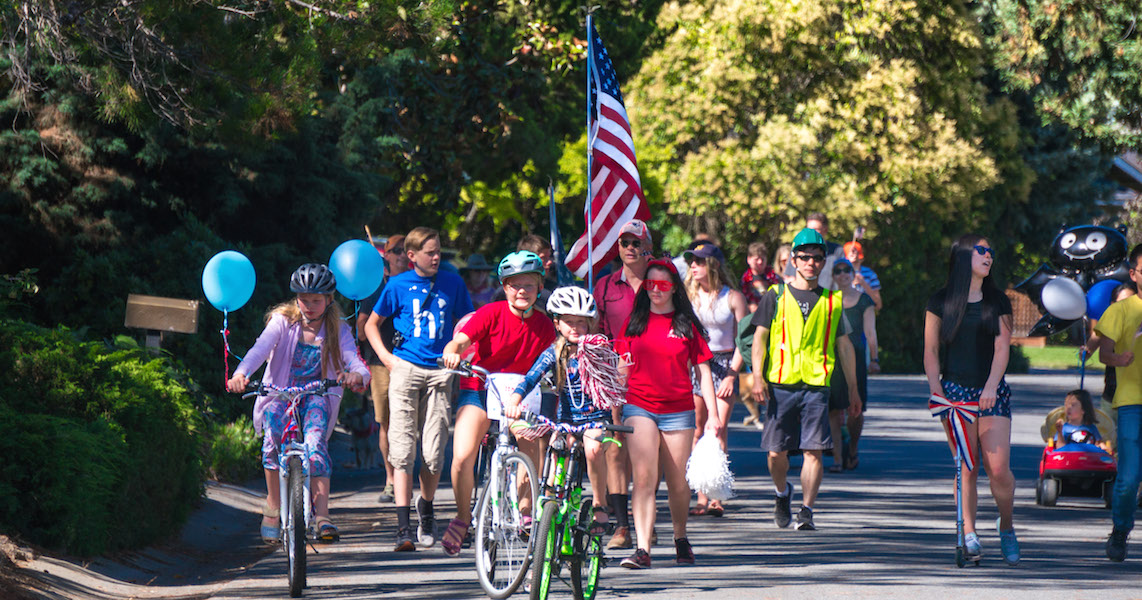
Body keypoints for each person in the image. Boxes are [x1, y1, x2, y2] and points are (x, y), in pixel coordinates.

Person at [226, 264, 369, 545]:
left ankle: (323, 516)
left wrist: (357, 375)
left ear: (329, 300)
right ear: (296, 299)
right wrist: (241, 374)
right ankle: (273, 504)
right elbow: (260, 350)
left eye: (316, 300)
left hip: (316, 395)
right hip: (279, 394)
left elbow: (353, 359)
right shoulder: (282, 321)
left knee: (316, 446)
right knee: (271, 439)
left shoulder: (337, 329)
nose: (310, 305)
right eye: (304, 299)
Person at [439, 251, 558, 556]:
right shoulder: (490, 313)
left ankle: (526, 512)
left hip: (520, 395)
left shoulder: (545, 326)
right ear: (504, 287)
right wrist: (453, 350)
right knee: (463, 456)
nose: (522, 291)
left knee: (530, 445)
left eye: (529, 286)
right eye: (514, 285)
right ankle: (463, 517)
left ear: (539, 287)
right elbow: (461, 340)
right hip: (481, 387)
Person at [364, 227, 475, 552]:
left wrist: (460, 351)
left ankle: (425, 508)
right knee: (401, 450)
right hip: (405, 369)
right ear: (411, 256)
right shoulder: (397, 286)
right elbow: (372, 324)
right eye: (430, 252)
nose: (436, 257)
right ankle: (403, 528)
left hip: (441, 372)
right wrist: (386, 358)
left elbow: (468, 320)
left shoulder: (452, 283)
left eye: (438, 250)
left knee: (433, 452)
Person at [750, 228, 861, 532]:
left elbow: (845, 346)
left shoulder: (832, 301)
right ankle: (782, 493)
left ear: (824, 262)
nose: (811, 262)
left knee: (814, 450)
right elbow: (759, 338)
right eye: (804, 257)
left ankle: (807, 510)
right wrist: (757, 377)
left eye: (817, 258)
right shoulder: (775, 295)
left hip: (816, 384)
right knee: (776, 453)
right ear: (793, 261)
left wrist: (853, 389)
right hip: (781, 383)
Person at [616, 258, 720, 568]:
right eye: (650, 285)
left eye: (662, 285)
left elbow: (703, 372)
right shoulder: (634, 323)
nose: (656, 290)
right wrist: (614, 408)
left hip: (679, 410)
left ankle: (680, 536)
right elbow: (622, 368)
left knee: (677, 482)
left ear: (674, 287)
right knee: (644, 478)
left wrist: (713, 416)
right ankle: (643, 548)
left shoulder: (686, 324)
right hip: (639, 405)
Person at [923, 234, 1019, 566]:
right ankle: (969, 535)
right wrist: (936, 388)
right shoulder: (940, 301)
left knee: (998, 470)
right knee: (967, 466)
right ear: (963, 256)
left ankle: (1006, 525)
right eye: (981, 250)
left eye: (991, 251)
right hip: (956, 394)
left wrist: (992, 385)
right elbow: (931, 351)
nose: (988, 255)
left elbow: (1002, 348)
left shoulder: (998, 301)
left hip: (992, 392)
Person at [510, 286, 614, 533]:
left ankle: (600, 503)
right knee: (556, 448)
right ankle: (549, 497)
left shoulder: (599, 350)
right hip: (566, 420)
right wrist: (514, 401)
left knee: (593, 448)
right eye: (569, 322)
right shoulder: (553, 353)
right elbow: (530, 378)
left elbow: (614, 384)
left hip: (596, 419)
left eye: (581, 322)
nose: (575, 328)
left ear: (591, 323)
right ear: (557, 323)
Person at [592, 218, 653, 550]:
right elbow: (597, 331)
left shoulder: (661, 283)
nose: (629, 248)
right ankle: (622, 525)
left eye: (635, 242)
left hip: (653, 374)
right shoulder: (604, 286)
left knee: (646, 451)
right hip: (614, 376)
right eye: (623, 243)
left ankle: (647, 518)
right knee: (614, 448)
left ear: (648, 248)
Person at [682, 243, 748, 516]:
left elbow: (745, 339)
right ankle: (700, 494)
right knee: (698, 430)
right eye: (691, 262)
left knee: (717, 428)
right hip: (695, 364)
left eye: (699, 261)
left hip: (724, 363)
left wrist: (733, 374)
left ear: (713, 265)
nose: (693, 266)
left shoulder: (732, 297)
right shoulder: (688, 297)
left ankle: (716, 495)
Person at [1095, 243, 1142, 562]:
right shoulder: (1122, 310)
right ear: (1135, 273)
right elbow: (1103, 353)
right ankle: (1120, 531)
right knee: (1128, 480)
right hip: (1131, 402)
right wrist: (1120, 359)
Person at [358, 234, 408, 504]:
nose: (401, 255)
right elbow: (362, 332)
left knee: (413, 424)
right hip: (381, 365)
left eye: (406, 251)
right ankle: (390, 480)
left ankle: (408, 479)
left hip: (413, 363)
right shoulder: (375, 288)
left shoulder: (418, 285)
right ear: (386, 255)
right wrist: (382, 313)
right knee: (386, 424)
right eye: (396, 251)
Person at [825, 259, 878, 473]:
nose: (843, 274)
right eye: (838, 271)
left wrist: (874, 359)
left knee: (855, 410)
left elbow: (870, 332)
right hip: (831, 361)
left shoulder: (864, 301)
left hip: (855, 358)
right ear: (833, 276)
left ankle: (853, 449)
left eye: (847, 270)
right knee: (833, 410)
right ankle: (838, 458)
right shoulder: (828, 300)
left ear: (852, 273)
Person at [1052, 389, 1112, 453]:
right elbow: (1060, 448)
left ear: (1083, 410)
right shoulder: (1063, 428)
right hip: (1069, 459)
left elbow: (1097, 445)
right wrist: (1060, 432)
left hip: (1088, 459)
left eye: (1073, 405)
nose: (1068, 407)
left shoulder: (1091, 428)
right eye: (1066, 404)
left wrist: (1103, 447)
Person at [741, 241, 782, 313]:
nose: (760, 262)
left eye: (762, 259)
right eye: (756, 259)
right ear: (749, 259)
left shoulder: (775, 278)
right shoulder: (744, 281)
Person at [843, 241, 883, 311]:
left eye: (857, 261)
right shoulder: (839, 274)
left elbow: (878, 305)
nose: (854, 259)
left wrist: (863, 283)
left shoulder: (869, 274)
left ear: (861, 259)